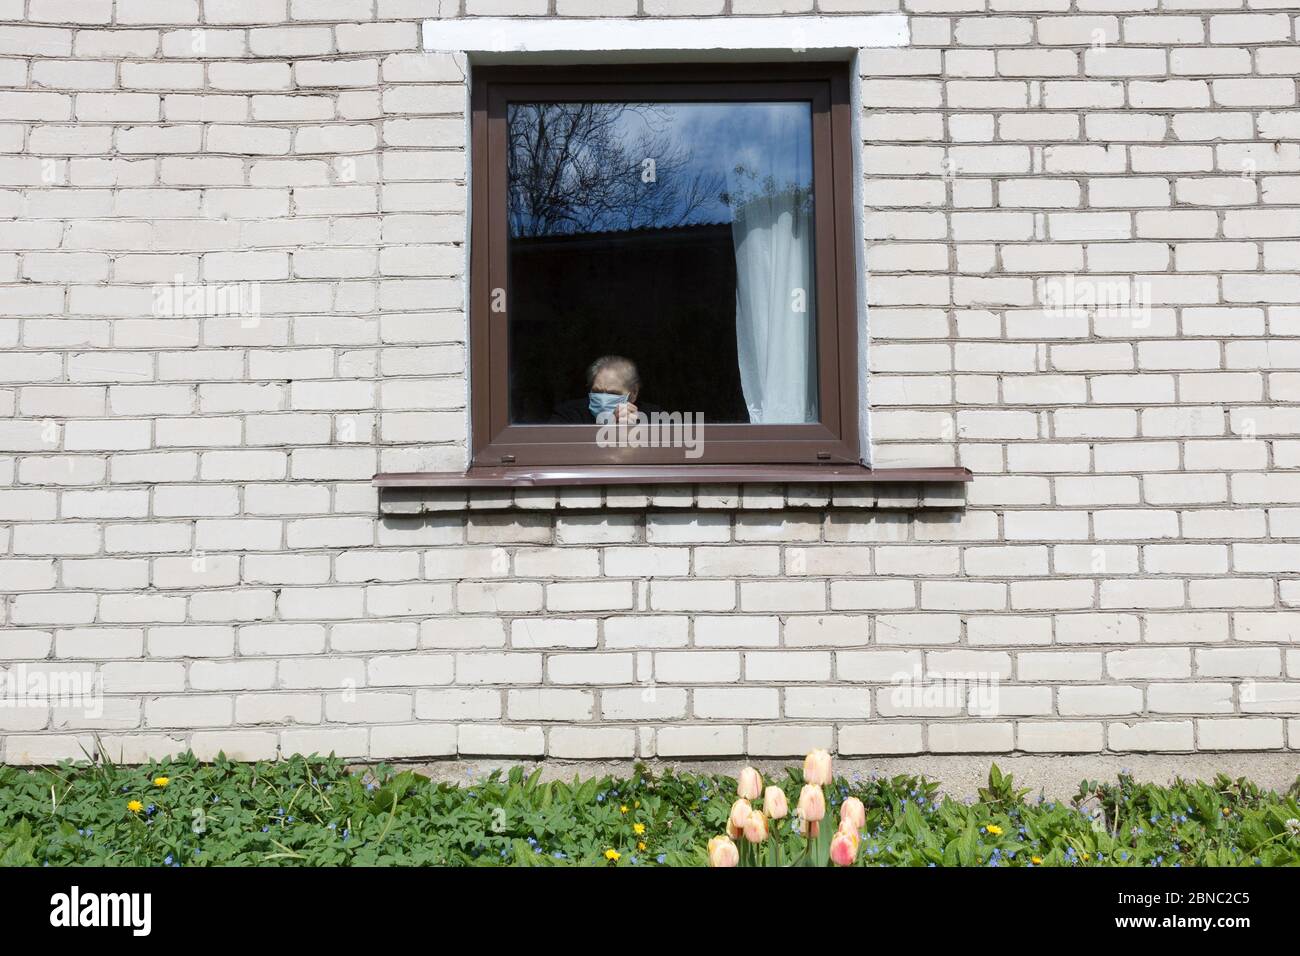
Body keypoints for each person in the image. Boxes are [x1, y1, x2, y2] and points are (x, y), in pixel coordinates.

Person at [548, 355, 660, 424]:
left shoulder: (653, 418)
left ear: (634, 393)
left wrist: (634, 432)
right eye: (597, 391)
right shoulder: (568, 415)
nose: (603, 400)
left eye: (613, 393)